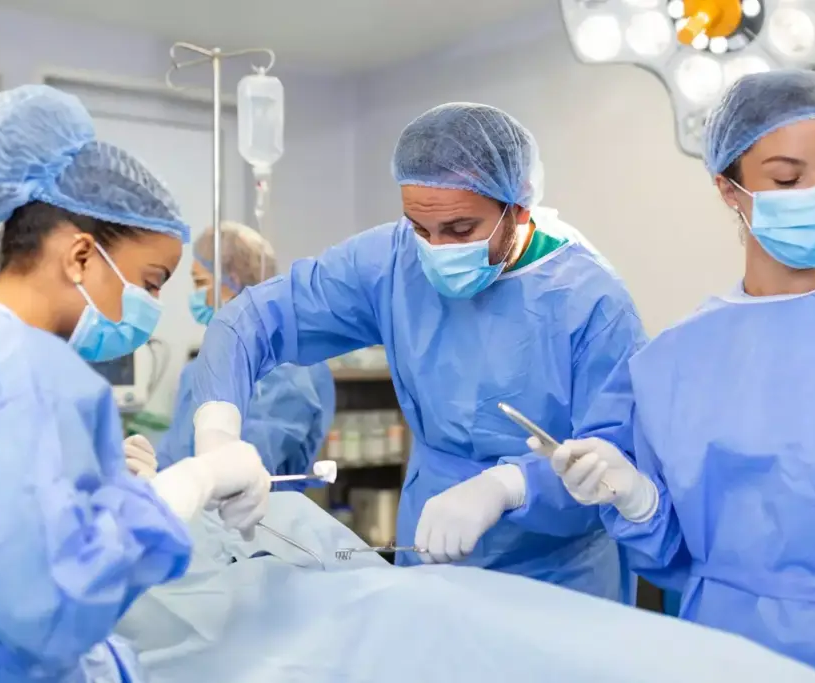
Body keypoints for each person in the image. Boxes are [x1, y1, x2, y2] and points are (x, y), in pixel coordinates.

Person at [538, 70, 815, 682]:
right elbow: (670, 552)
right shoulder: (671, 363)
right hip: (724, 659)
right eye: (786, 177)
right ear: (729, 188)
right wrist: (638, 501)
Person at [189, 102, 648, 602]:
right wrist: (218, 435)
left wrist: (509, 485)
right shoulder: (391, 261)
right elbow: (251, 318)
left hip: (558, 579)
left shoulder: (592, 303)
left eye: (460, 230)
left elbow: (616, 461)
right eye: (419, 227)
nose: (435, 248)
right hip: (428, 557)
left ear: (517, 210)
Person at [0, 85, 270, 682]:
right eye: (151, 282)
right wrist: (188, 483)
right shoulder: (24, 374)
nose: (153, 305)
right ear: (79, 256)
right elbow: (49, 602)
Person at [113, 491, 815, 683]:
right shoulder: (113, 600)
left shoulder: (257, 511)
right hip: (331, 637)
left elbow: (352, 567)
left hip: (402, 606)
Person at [125, 222, 335, 490]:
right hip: (194, 522)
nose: (195, 296)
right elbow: (175, 456)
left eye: (201, 282)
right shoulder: (199, 369)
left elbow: (248, 466)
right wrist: (147, 472)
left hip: (259, 524)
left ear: (232, 280)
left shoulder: (285, 371)